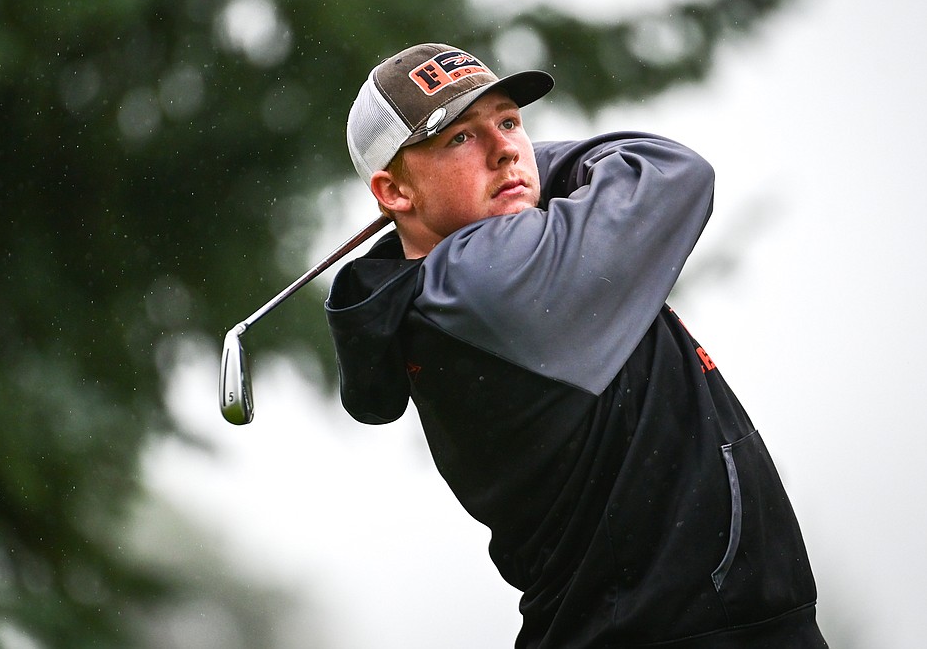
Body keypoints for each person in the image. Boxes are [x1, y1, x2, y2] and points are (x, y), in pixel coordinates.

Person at [325, 42, 828, 648]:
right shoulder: (490, 279)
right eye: (460, 138)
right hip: (677, 632)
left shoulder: (446, 292)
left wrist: (501, 177)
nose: (506, 148)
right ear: (394, 192)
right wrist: (522, 176)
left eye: (509, 121)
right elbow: (669, 169)